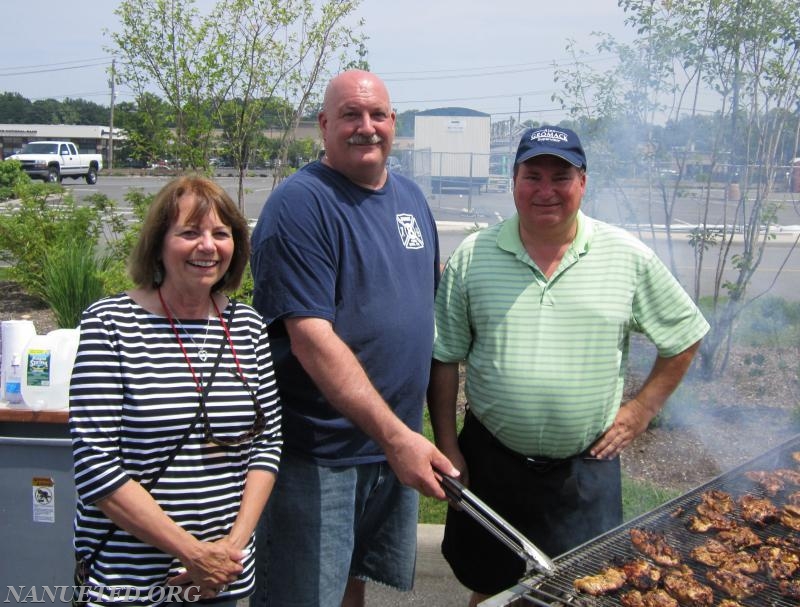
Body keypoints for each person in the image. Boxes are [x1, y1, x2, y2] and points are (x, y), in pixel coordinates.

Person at [428, 126, 710, 605]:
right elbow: (444, 357)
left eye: (560, 176)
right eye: (532, 175)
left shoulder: (626, 256)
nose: (545, 190)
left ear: (583, 182)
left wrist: (641, 411)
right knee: (488, 587)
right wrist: (449, 446)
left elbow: (684, 337)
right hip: (490, 461)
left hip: (584, 471)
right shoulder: (474, 256)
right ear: (512, 180)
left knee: (581, 592)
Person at [248, 69, 457, 607]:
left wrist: (411, 435)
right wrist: (398, 438)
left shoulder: (409, 198)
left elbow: (419, 313)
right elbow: (312, 340)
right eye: (350, 115)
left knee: (352, 583)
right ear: (323, 125)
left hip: (388, 448)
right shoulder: (301, 205)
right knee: (304, 595)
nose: (367, 127)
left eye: (378, 115)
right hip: (320, 453)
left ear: (394, 123)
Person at [69, 176, 282, 607]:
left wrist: (229, 551)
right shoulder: (111, 324)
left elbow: (267, 443)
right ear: (158, 243)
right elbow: (95, 463)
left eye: (221, 234)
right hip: (128, 582)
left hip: (222, 578)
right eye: (190, 232)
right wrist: (193, 552)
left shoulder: (247, 326)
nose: (208, 246)